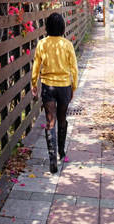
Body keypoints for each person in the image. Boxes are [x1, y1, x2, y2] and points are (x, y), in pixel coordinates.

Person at [31, 12, 78, 173]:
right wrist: (74, 87)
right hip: (64, 86)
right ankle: (61, 151)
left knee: (50, 121)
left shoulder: (42, 44)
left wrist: (34, 83)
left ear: (47, 27)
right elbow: (74, 69)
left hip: (48, 86)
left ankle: (52, 158)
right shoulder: (67, 45)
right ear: (63, 27)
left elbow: (36, 66)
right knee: (62, 118)